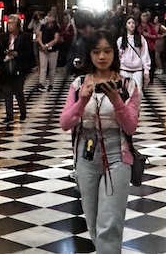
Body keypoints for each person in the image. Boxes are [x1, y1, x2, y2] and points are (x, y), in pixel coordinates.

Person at [58, 29, 141, 254]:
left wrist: (117, 100)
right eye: (96, 52)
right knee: (93, 222)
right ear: (89, 54)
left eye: (107, 51)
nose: (102, 57)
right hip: (86, 155)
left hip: (117, 154)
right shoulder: (78, 84)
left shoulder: (128, 85)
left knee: (110, 224)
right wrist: (82, 101)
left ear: (115, 53)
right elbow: (65, 122)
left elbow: (131, 126)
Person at [0, 14, 34, 126]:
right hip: (6, 67)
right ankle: (9, 115)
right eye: (8, 23)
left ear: (18, 25)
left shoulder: (25, 36)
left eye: (11, 23)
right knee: (7, 91)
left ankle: (23, 111)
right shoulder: (4, 37)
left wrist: (17, 54)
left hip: (19, 66)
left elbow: (29, 53)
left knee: (18, 91)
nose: (9, 26)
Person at [116, 16, 151, 90]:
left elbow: (144, 54)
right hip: (124, 68)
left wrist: (146, 69)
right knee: (124, 90)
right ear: (125, 25)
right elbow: (118, 55)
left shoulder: (141, 39)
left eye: (133, 23)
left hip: (137, 69)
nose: (131, 25)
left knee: (137, 91)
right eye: (129, 23)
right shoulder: (121, 40)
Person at [35, 12, 61, 91]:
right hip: (42, 49)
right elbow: (39, 36)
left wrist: (47, 45)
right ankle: (41, 83)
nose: (48, 18)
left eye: (50, 16)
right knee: (43, 67)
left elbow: (56, 39)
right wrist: (42, 45)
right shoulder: (43, 26)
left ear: (53, 18)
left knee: (52, 68)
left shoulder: (56, 27)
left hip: (52, 50)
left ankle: (51, 84)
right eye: (48, 16)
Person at [137, 11, 159, 84]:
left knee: (151, 63)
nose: (145, 18)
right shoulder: (138, 26)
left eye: (146, 16)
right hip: (140, 48)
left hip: (150, 46)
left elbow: (156, 36)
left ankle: (151, 79)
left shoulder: (150, 25)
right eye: (143, 16)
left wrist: (148, 35)